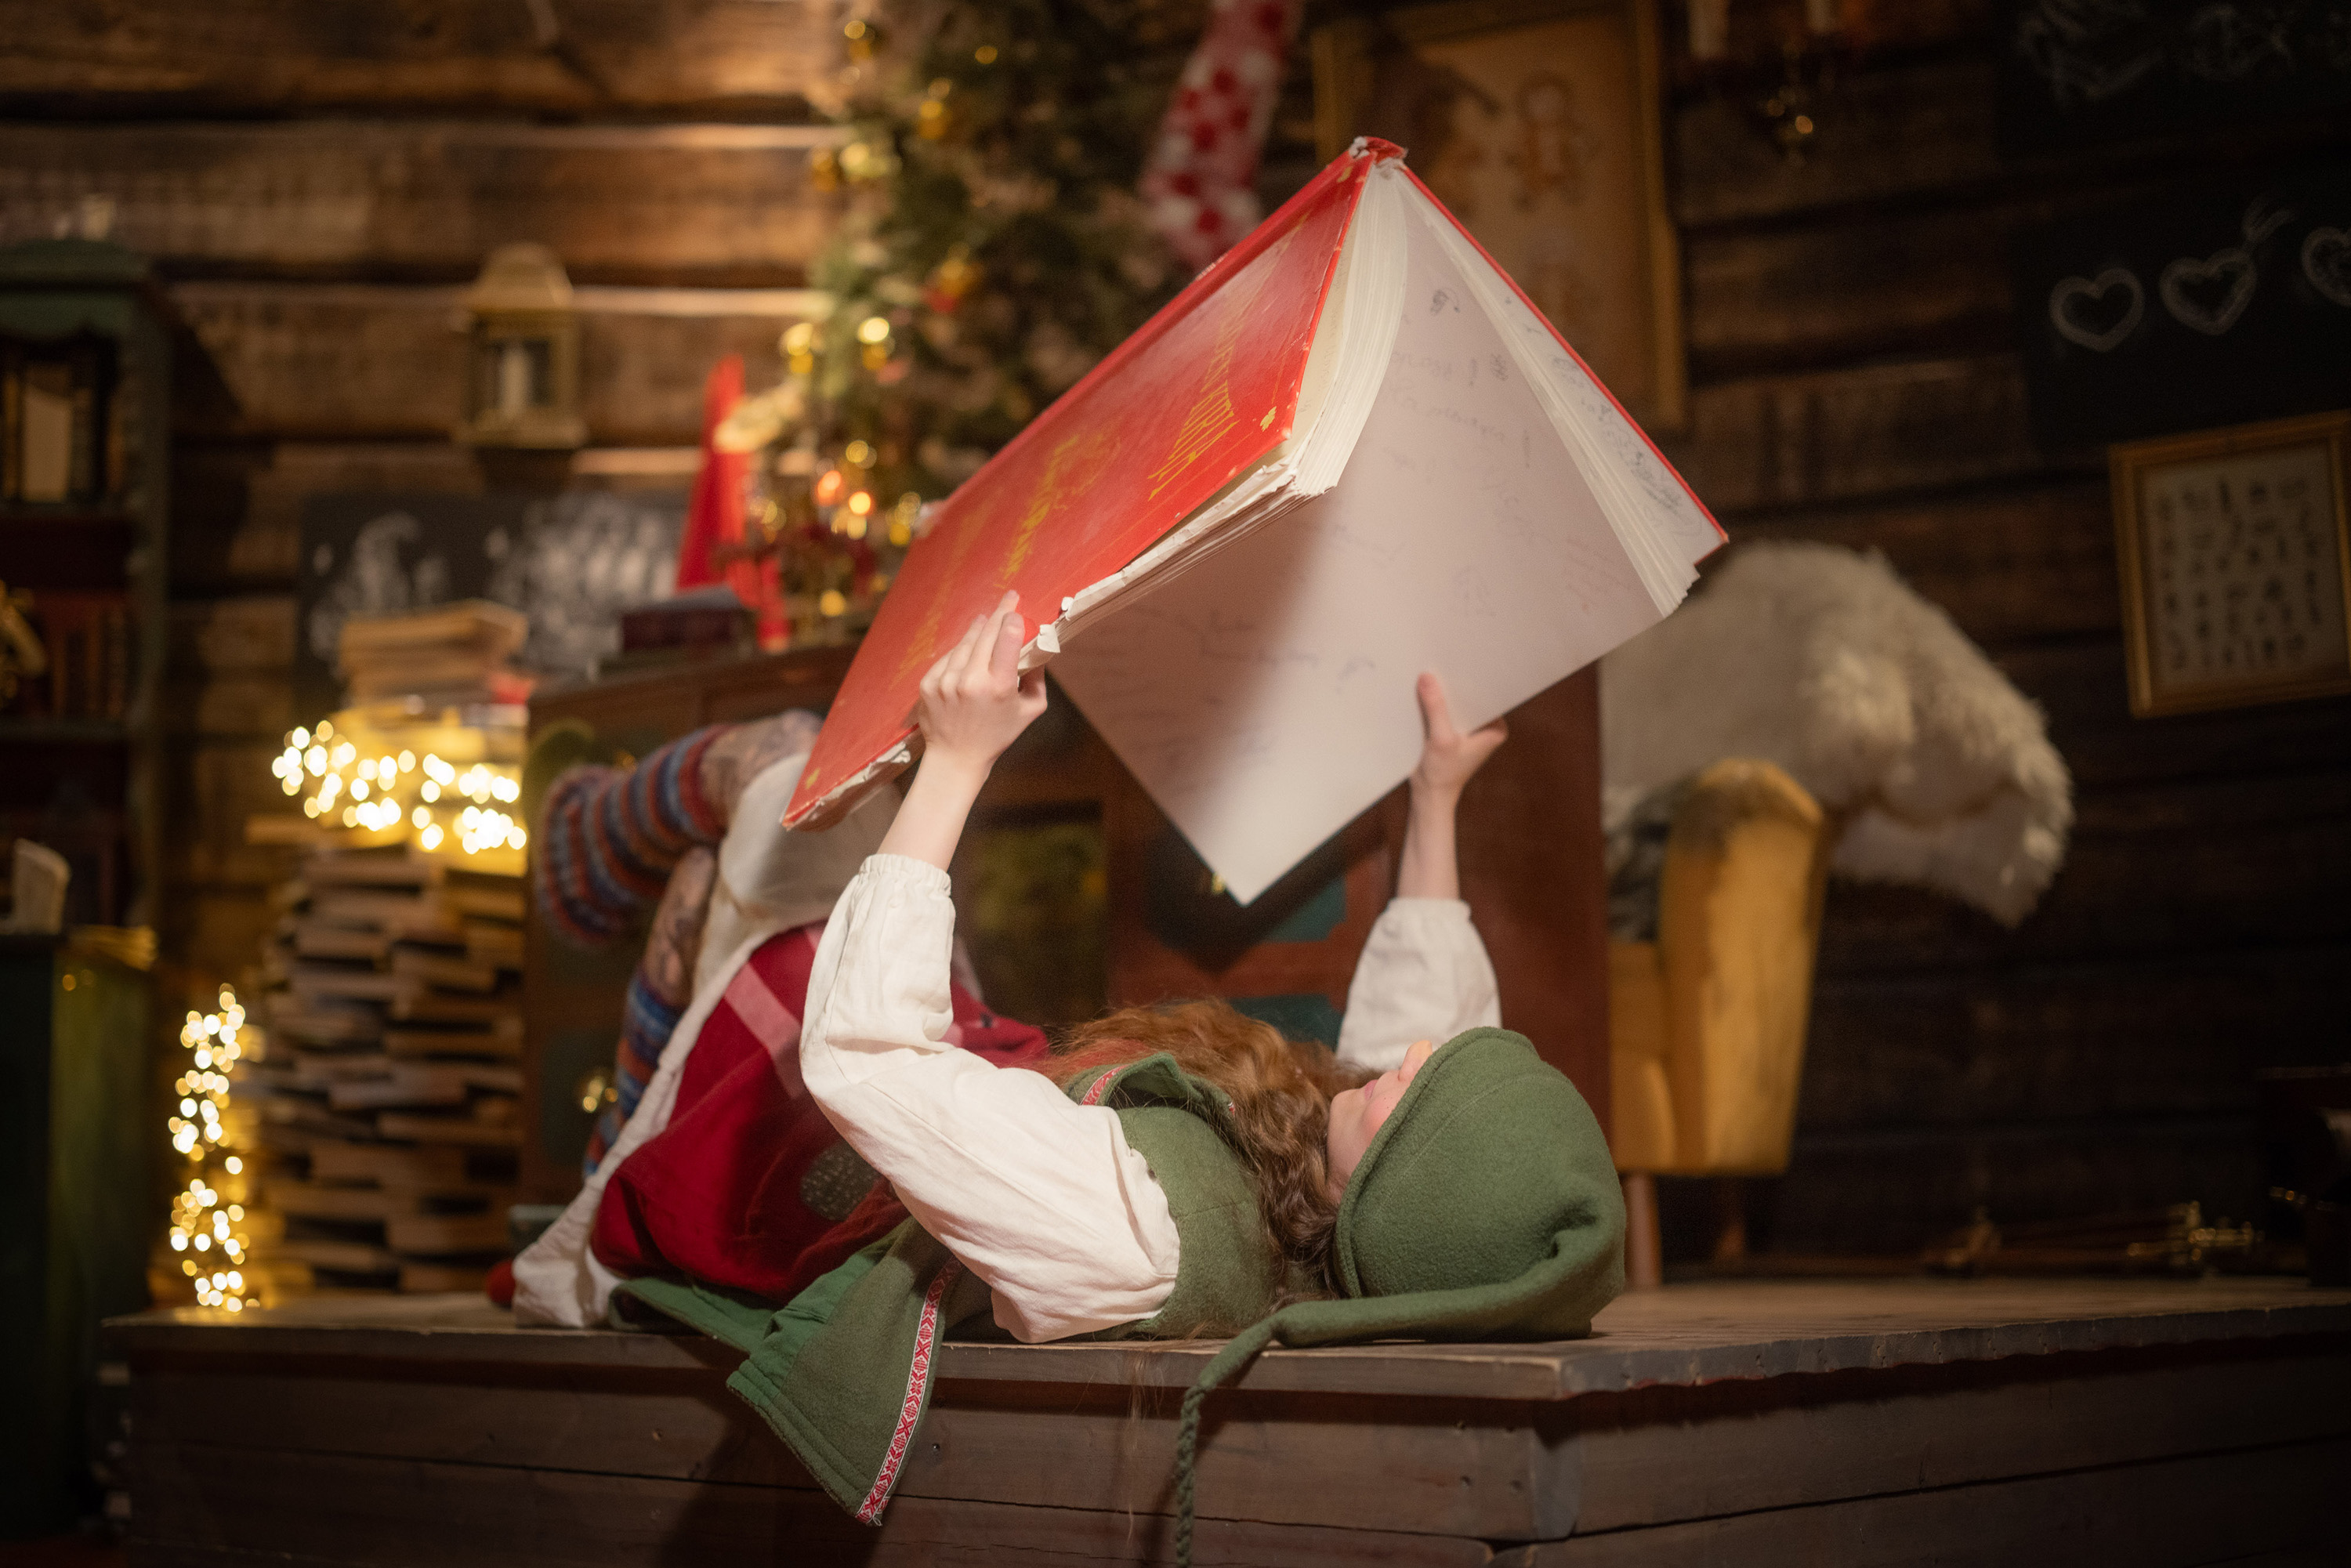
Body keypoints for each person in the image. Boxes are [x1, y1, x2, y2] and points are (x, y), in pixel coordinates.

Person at [618, 592, 1626, 1561]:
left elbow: (873, 1060)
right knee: (771, 827)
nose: (1410, 1059)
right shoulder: (1326, 1162)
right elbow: (1431, 1017)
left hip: (758, 1162)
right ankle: (609, 850)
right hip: (931, 1064)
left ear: (1406, 1197)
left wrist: (962, 761)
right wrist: (1437, 795)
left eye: (1423, 1091)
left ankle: (588, 854)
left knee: (780, 776)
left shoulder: (1137, 1230)